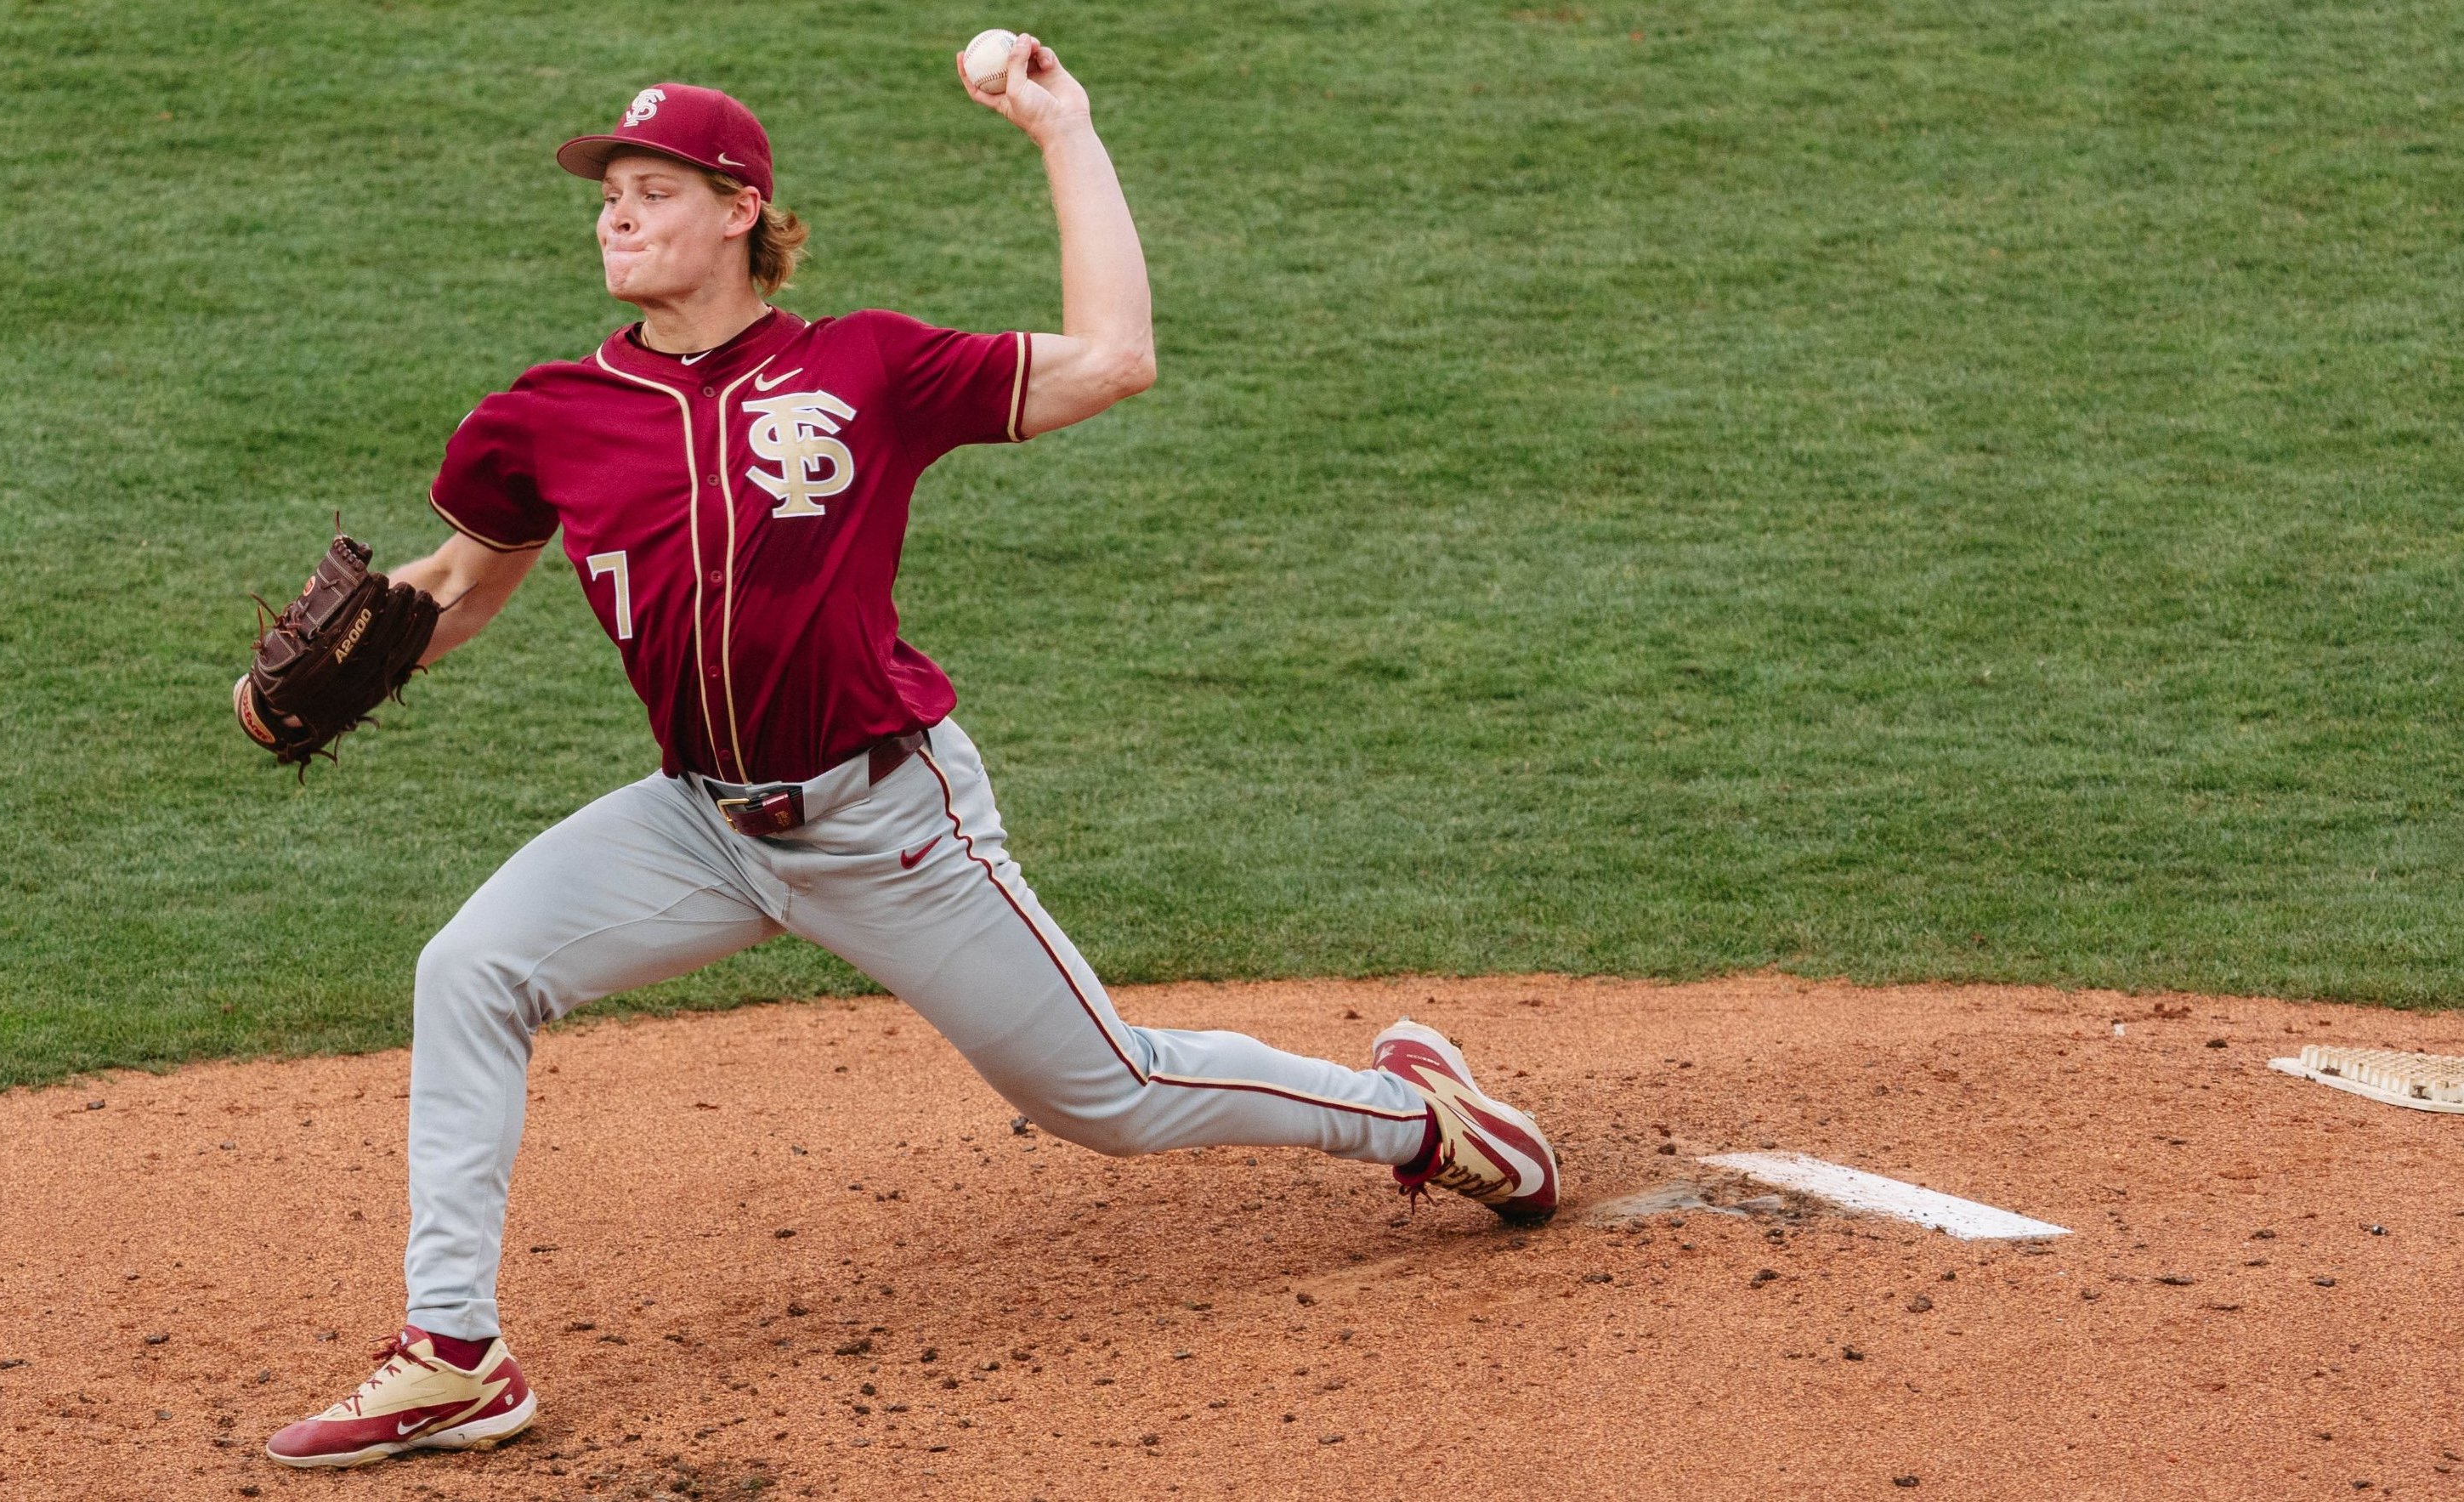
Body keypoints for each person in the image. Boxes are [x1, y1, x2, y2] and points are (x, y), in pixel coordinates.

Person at [264, 39, 1559, 1470]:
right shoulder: (547, 414)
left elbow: (1115, 359)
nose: (615, 216)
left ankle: (1421, 1121)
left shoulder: (861, 364)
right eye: (607, 195)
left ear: (740, 210)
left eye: (651, 191)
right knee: (470, 968)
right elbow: (458, 584)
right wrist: (322, 676)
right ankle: (454, 1354)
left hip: (883, 820)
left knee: (1111, 1098)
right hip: (696, 823)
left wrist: (1062, 131)